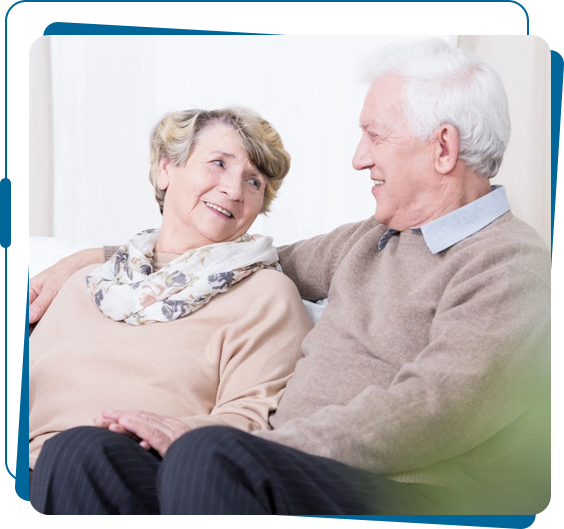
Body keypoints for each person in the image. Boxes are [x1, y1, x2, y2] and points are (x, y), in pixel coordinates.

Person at [29, 39, 550, 519]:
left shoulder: (509, 262)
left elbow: (435, 409)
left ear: (442, 148)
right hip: (281, 467)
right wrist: (99, 257)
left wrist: (261, 446)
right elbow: (227, 258)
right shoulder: (370, 239)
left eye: (375, 134)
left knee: (207, 456)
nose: (359, 157)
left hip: (410, 490)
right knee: (84, 453)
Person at [28, 107, 313, 485]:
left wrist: (160, 430)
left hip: (142, 469)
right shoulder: (83, 282)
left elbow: (250, 418)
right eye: (218, 163)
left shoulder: (264, 295)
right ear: (166, 170)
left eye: (254, 182)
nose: (233, 190)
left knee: (79, 450)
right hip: (30, 469)